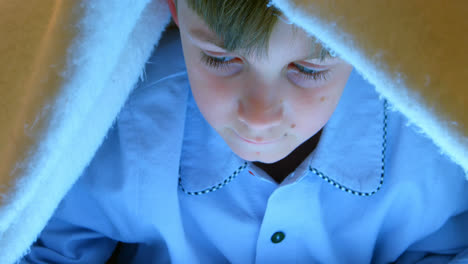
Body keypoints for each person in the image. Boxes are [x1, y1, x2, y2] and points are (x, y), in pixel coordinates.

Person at [20, 0, 468, 263]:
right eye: (221, 59)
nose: (259, 117)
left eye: (308, 69)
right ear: (175, 9)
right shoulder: (124, 126)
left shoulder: (429, 149)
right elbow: (46, 242)